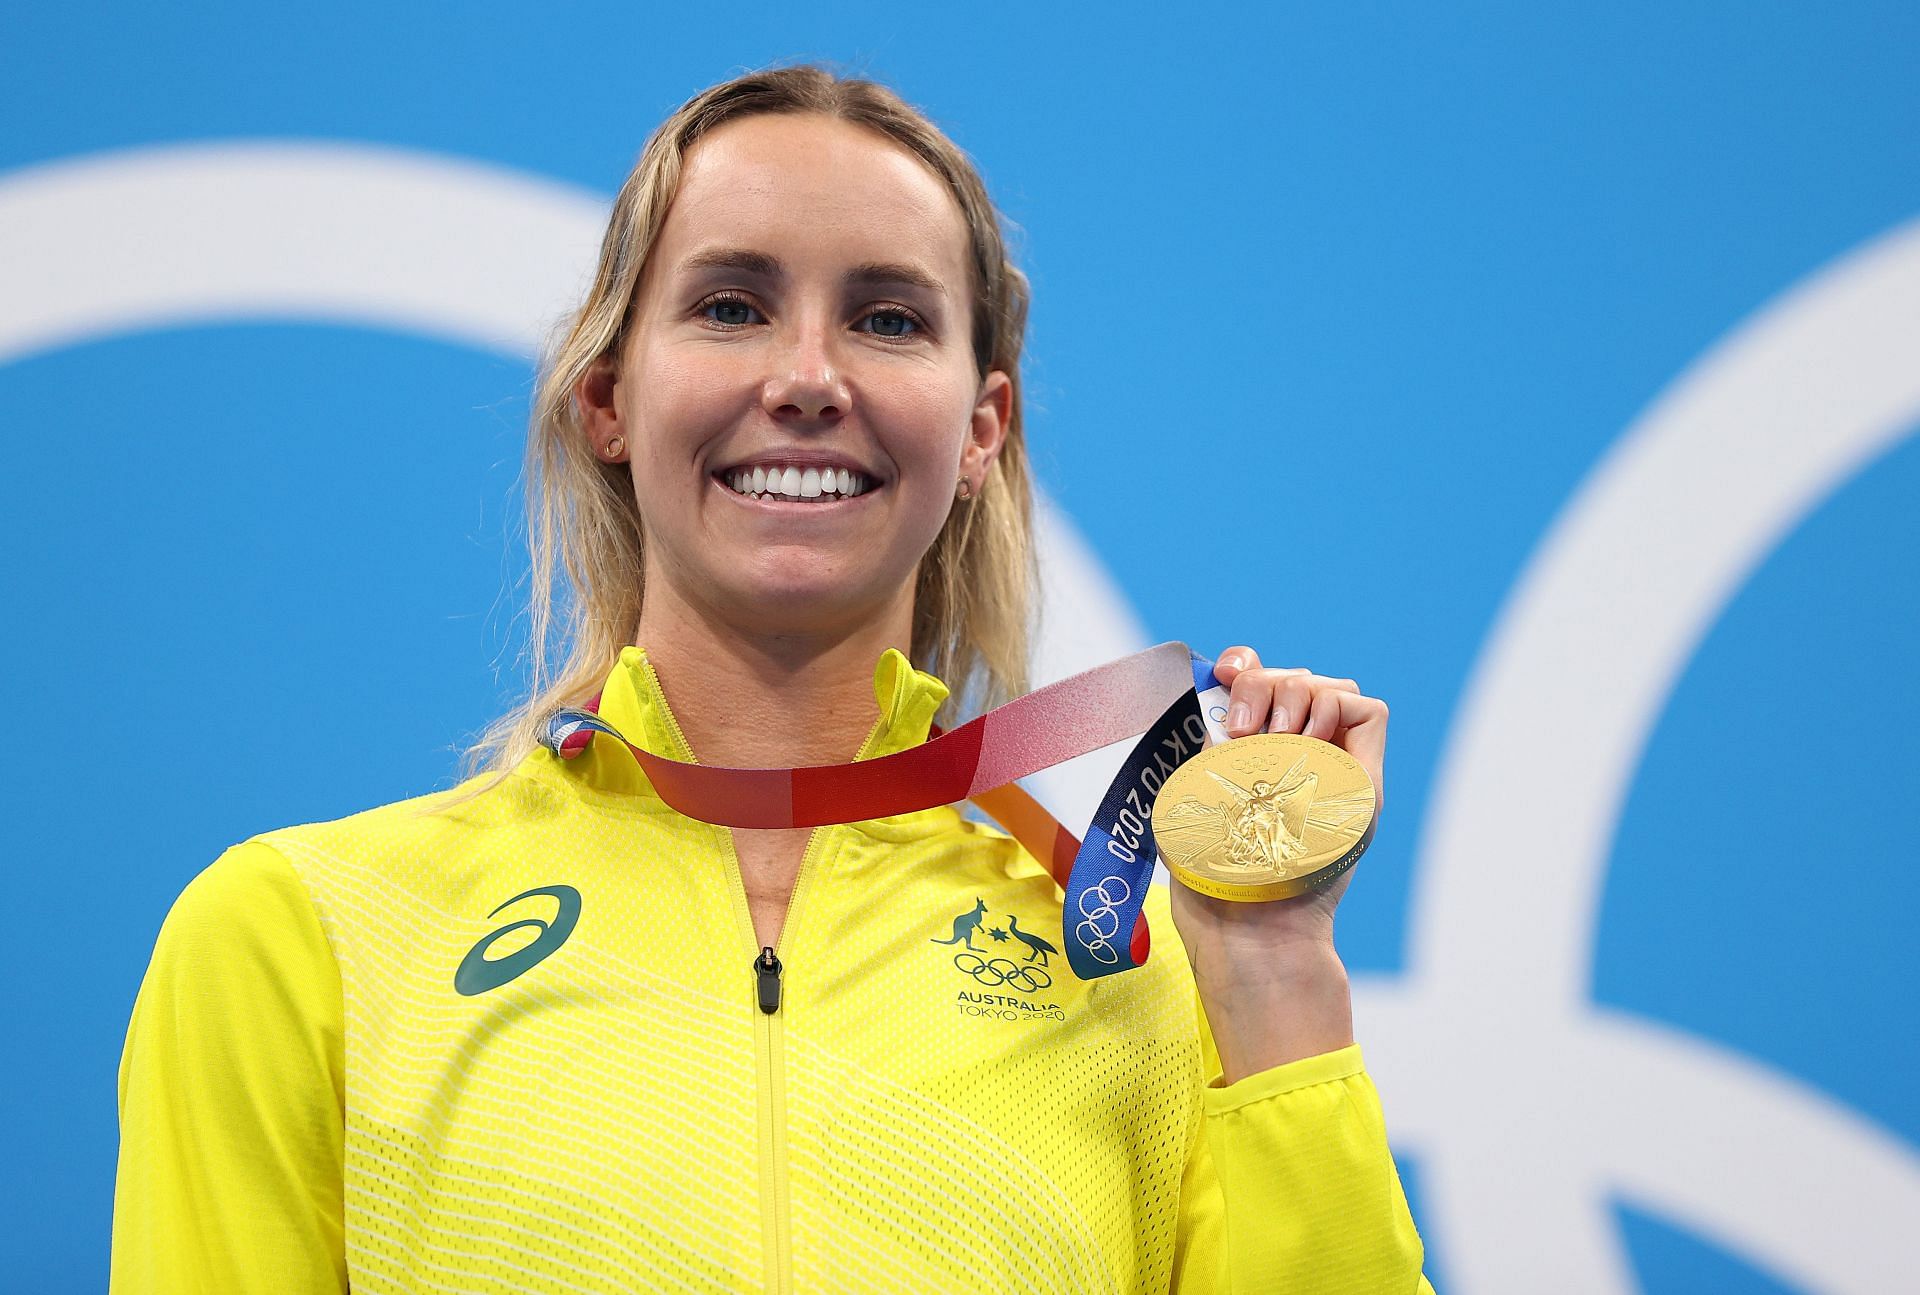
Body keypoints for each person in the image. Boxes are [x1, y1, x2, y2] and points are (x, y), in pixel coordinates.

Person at [111, 64, 1433, 1293]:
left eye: (888, 318)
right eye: (732, 306)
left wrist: (1266, 976)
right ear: (610, 401)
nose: (808, 378)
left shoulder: (1145, 983)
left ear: (981, 430)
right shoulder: (304, 941)